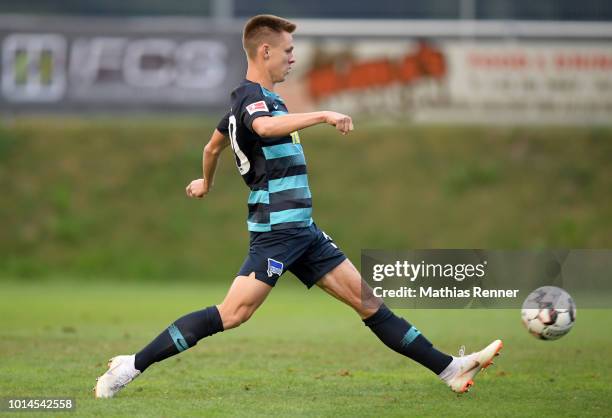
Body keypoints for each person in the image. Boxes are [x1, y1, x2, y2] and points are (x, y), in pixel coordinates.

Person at [94, 14, 502, 399]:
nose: (293, 57)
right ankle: (130, 366)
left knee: (368, 303)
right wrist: (323, 114)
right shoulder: (254, 100)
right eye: (288, 50)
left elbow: (212, 145)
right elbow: (264, 128)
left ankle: (451, 369)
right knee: (233, 314)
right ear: (264, 52)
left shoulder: (253, 99)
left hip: (302, 231)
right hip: (276, 231)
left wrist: (207, 181)